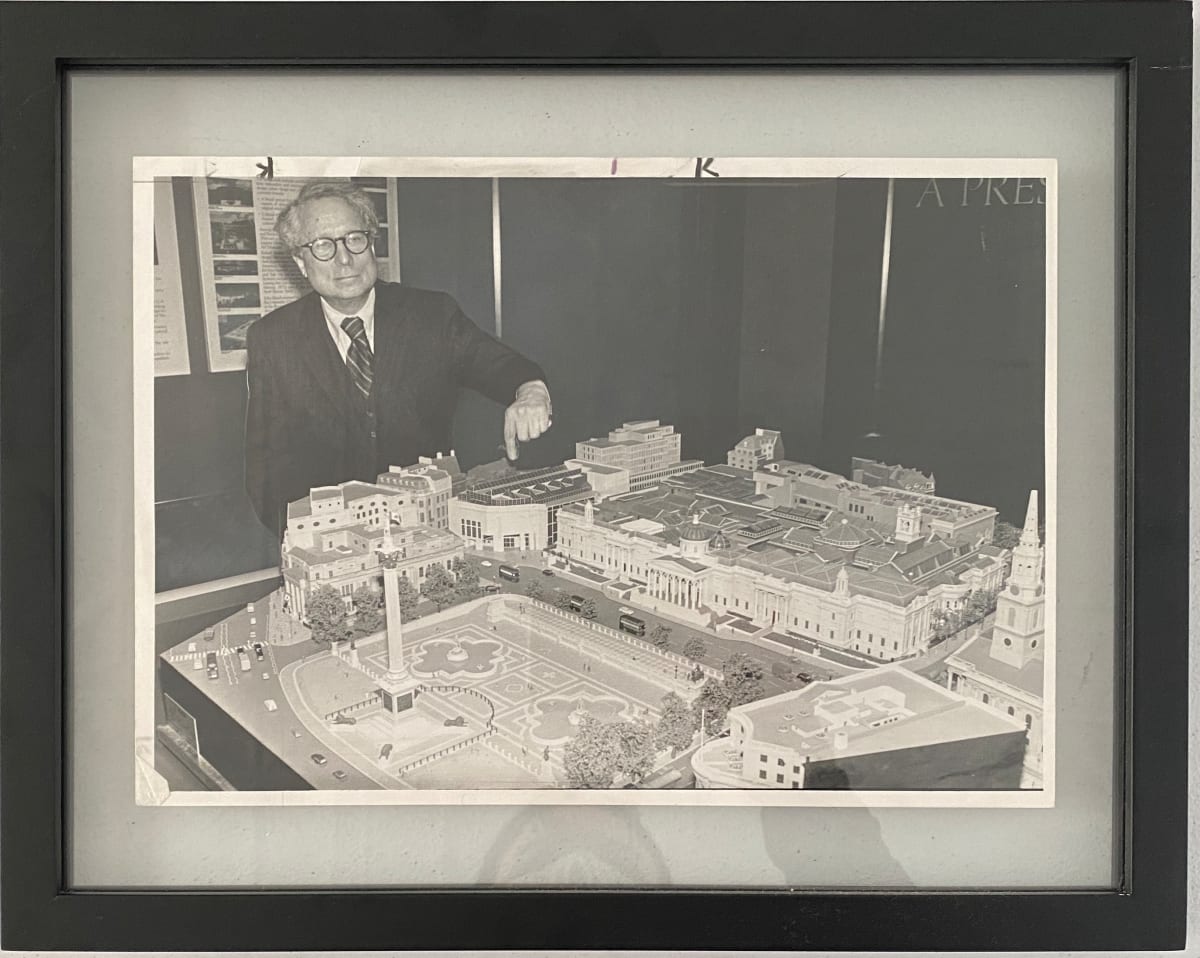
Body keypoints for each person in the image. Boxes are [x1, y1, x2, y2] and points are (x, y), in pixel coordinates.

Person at [244, 180, 552, 536]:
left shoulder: (432, 314)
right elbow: (263, 466)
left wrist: (531, 391)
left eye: (354, 239)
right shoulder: (272, 338)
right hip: (330, 540)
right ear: (301, 261)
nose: (344, 259)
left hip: (428, 527)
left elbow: (501, 365)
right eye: (323, 246)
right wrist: (300, 539)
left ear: (372, 244)